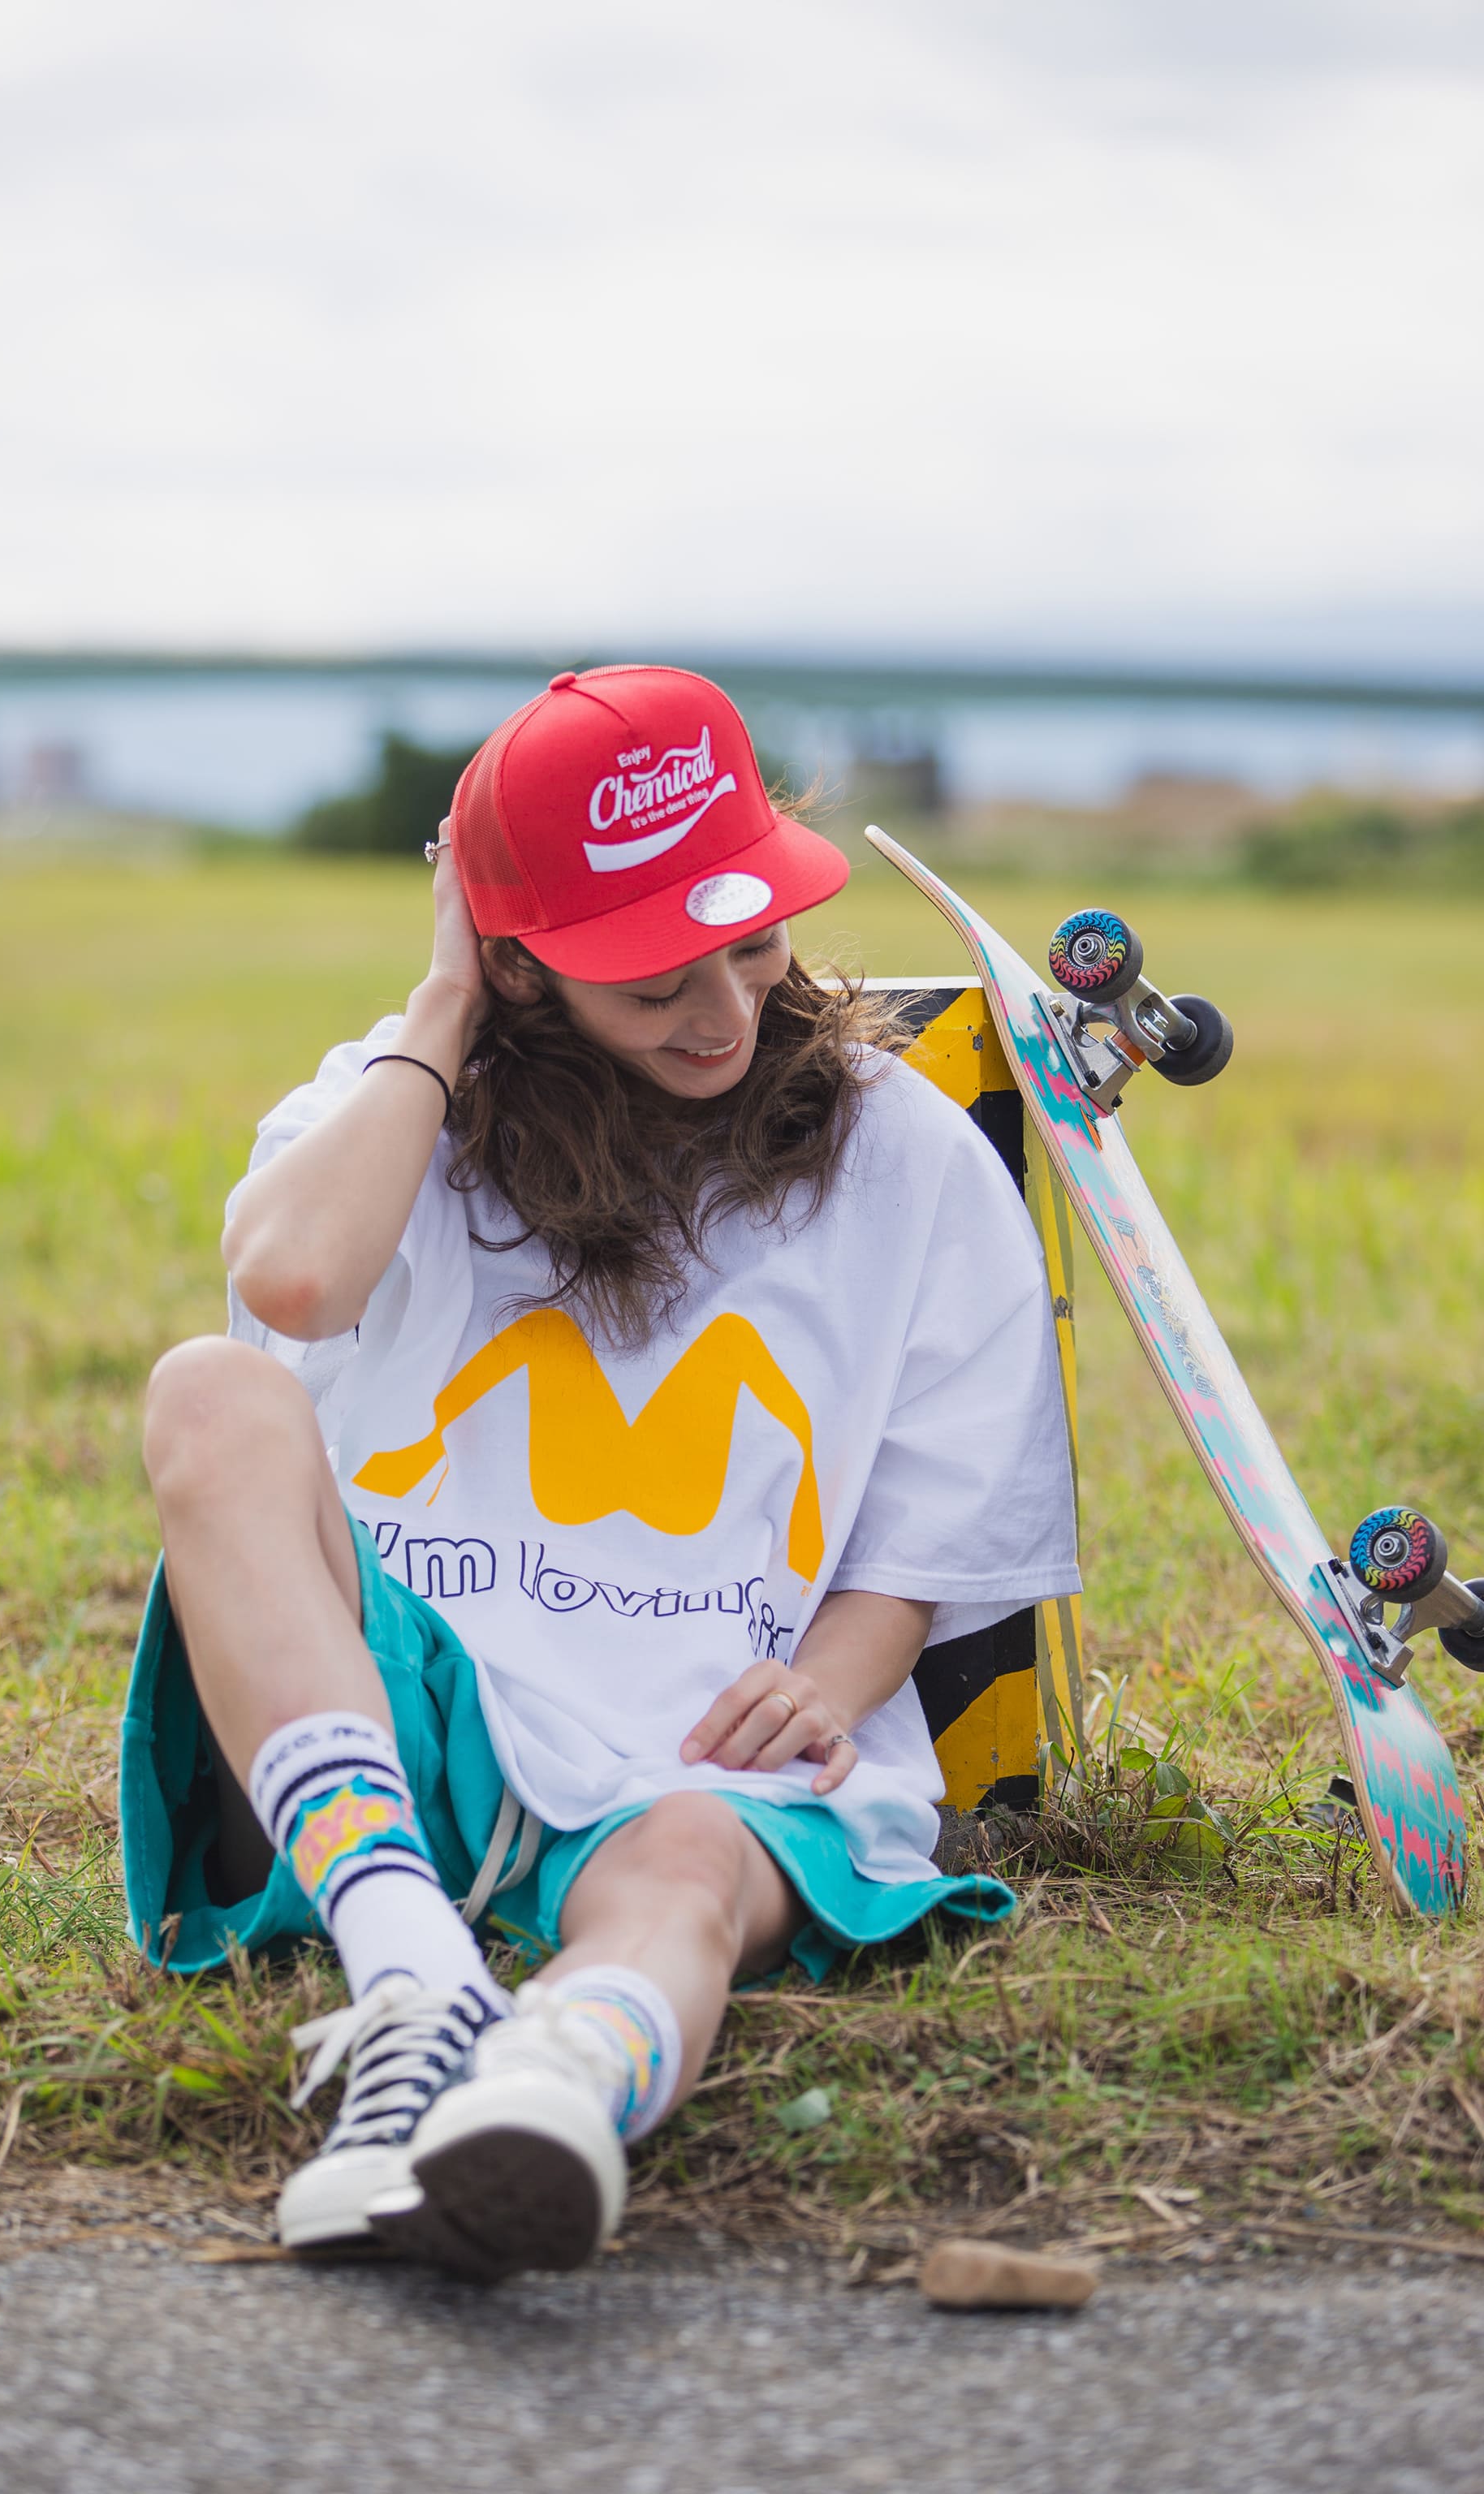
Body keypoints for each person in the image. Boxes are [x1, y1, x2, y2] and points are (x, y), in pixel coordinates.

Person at [120, 663, 1078, 2280]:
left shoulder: (902, 1151)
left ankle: (555, 2087)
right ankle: (412, 1978)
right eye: (652, 982)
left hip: (696, 1730)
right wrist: (443, 1008)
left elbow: (921, 1537)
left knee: (689, 1872)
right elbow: (290, 1285)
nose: (723, 1015)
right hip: (400, 1708)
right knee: (210, 1395)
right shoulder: (401, 1098)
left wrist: (832, 1689)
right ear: (520, 962)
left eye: (752, 944)